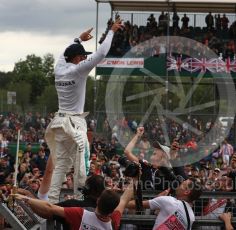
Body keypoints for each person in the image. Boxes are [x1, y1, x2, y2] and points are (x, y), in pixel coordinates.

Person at [44, 19, 124, 203]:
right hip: (74, 123)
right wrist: (111, 31)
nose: (85, 58)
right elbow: (102, 52)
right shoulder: (78, 70)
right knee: (82, 164)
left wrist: (78, 39)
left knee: (61, 165)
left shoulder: (59, 68)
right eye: (83, 56)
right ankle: (82, 202)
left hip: (60, 123)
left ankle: (52, 203)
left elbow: (65, 52)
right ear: (78, 58)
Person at [15, 181, 134, 230]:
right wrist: (136, 179)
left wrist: (26, 199)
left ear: (98, 201)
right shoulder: (115, 220)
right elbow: (124, 199)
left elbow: (50, 208)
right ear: (113, 209)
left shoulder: (81, 214)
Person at [127, 178, 202, 230]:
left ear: (186, 192)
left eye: (182, 184)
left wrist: (121, 202)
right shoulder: (191, 216)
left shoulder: (169, 201)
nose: (179, 186)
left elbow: (136, 204)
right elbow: (165, 216)